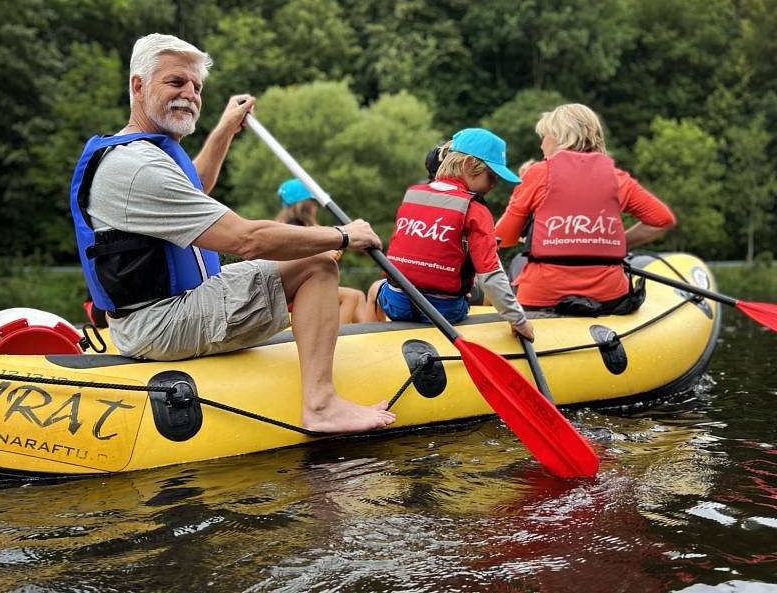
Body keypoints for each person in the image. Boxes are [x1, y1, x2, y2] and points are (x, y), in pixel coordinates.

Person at [69, 33, 395, 433]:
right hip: (162, 323)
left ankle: (320, 394)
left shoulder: (134, 151)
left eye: (196, 87)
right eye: (175, 82)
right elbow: (246, 240)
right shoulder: (140, 167)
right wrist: (343, 236)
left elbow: (194, 189)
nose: (189, 94)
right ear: (138, 86)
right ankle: (321, 404)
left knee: (310, 258)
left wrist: (224, 130)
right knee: (317, 264)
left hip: (154, 315)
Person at [495, 103, 676, 314]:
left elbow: (502, 238)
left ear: (558, 136)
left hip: (542, 296)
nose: (542, 145)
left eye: (544, 137)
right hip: (610, 296)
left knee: (517, 262)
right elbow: (663, 220)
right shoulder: (618, 179)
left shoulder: (536, 174)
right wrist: (611, 242)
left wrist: (523, 187)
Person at [364, 129, 534, 341]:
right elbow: (491, 277)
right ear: (468, 165)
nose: (493, 185)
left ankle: (374, 341)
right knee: (470, 292)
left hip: (396, 303)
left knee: (375, 288)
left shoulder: (413, 195)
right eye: (491, 176)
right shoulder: (476, 210)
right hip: (445, 311)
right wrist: (519, 320)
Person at [275, 178, 368, 324]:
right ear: (305, 205)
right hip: (293, 293)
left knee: (359, 295)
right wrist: (324, 253)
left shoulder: (294, 226)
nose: (316, 207)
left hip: (299, 287)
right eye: (314, 203)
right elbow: (291, 260)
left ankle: (369, 340)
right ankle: (336, 341)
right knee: (351, 297)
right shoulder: (293, 229)